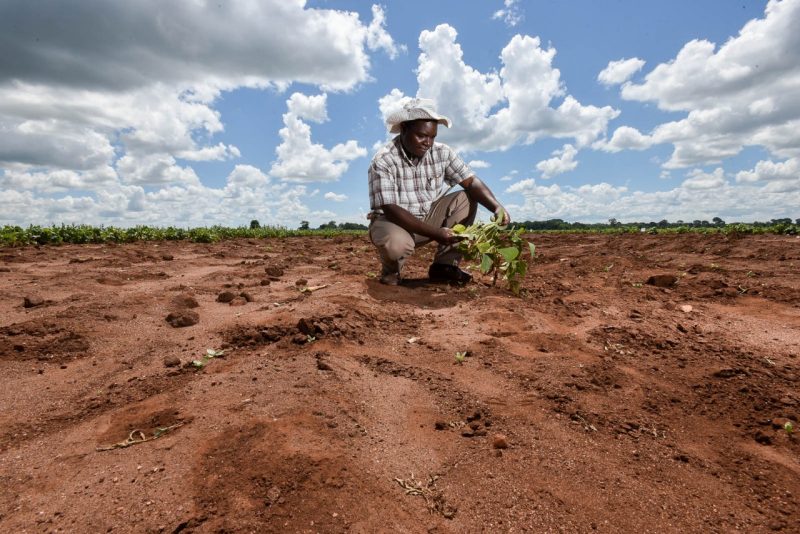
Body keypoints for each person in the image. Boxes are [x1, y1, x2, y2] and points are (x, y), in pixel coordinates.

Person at [368, 98, 510, 286]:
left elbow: (471, 181)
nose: (428, 143)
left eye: (432, 137)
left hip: (427, 218)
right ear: (404, 129)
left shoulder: (442, 152)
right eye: (421, 136)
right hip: (393, 222)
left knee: (466, 197)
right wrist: (436, 233)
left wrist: (497, 207)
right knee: (397, 245)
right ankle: (391, 272)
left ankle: (445, 267)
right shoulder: (384, 160)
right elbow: (391, 209)